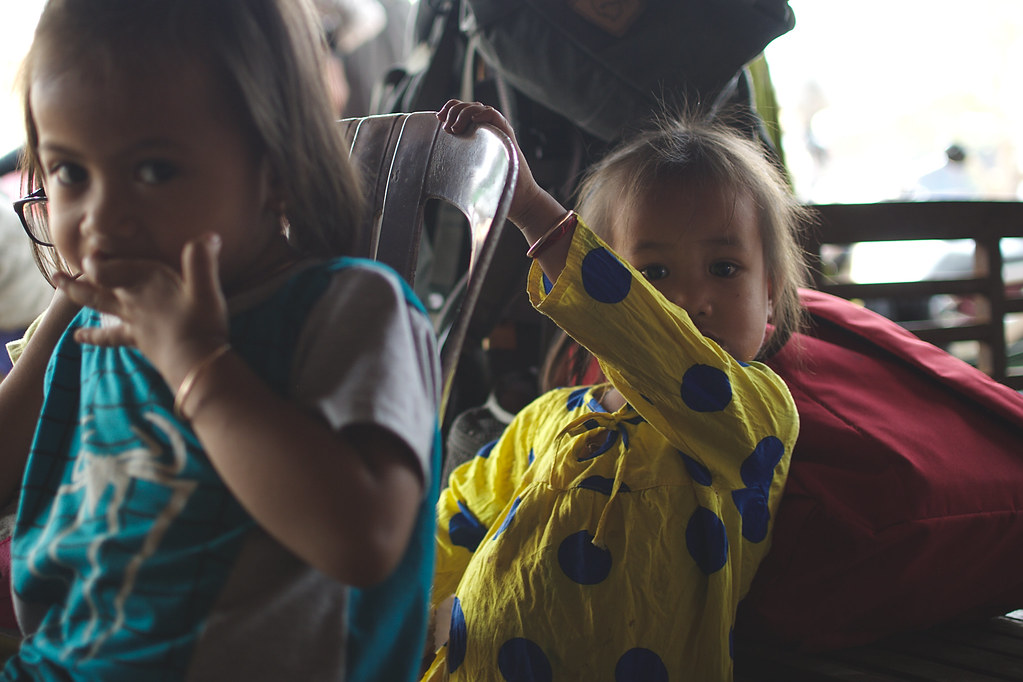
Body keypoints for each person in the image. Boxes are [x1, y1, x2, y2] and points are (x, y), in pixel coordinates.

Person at [0, 1, 441, 680]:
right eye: (68, 173)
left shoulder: (348, 309)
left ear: (276, 167)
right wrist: (68, 303)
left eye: (152, 171)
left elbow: (364, 539)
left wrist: (196, 363)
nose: (101, 218)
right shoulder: (92, 325)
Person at [423, 99, 812, 681]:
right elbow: (458, 514)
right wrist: (425, 611)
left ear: (771, 292)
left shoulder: (755, 415)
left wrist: (533, 210)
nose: (688, 300)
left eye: (725, 269)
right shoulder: (549, 417)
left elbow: (662, 350)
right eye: (652, 274)